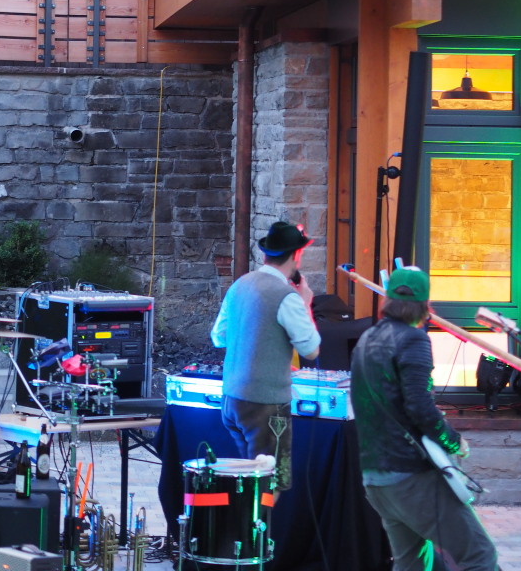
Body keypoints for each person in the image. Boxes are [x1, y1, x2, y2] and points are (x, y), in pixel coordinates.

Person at [350, 266, 499, 571]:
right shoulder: (413, 340)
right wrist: (454, 441)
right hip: (410, 476)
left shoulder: (367, 339)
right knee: (480, 556)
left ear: (387, 300)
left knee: (412, 563)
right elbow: (419, 407)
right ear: (425, 304)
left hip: (375, 477)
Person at [210, 220, 321, 493]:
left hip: (232, 399)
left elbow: (219, 337)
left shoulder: (240, 285)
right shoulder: (287, 296)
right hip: (265, 405)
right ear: (296, 255)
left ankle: (246, 523)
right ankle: (260, 523)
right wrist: (306, 304)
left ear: (265, 255)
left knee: (247, 485)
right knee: (268, 488)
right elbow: (311, 349)